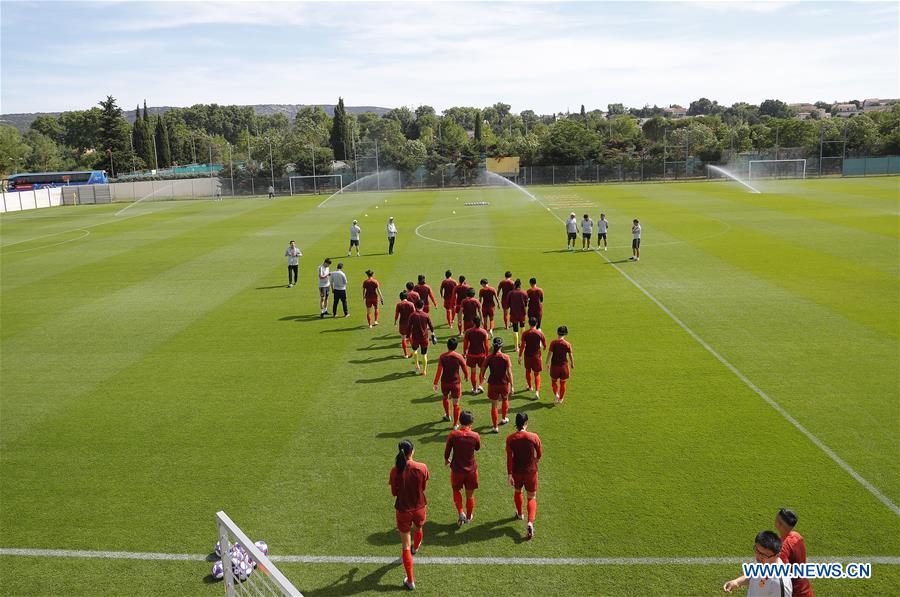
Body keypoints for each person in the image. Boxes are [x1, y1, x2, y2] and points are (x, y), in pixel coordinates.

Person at [389, 439, 429, 592]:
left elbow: (394, 493)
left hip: (403, 510)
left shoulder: (395, 470)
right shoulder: (422, 467)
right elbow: (423, 487)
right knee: (419, 529)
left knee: (405, 545)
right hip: (419, 508)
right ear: (412, 451)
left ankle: (410, 581)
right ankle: (416, 548)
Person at [506, 412, 542, 540]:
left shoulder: (510, 438)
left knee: (517, 491)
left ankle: (520, 513)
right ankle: (530, 522)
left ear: (516, 423)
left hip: (517, 471)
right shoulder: (534, 437)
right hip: (531, 471)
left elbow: (509, 458)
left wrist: (509, 474)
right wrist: (535, 460)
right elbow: (539, 453)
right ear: (526, 423)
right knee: (531, 497)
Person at [723, 531, 793, 596]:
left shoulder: (779, 583)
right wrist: (737, 582)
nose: (759, 557)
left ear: (777, 555)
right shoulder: (763, 560)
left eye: (764, 555)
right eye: (757, 551)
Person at [444, 410, 480, 526]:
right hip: (471, 471)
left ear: (460, 421)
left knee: (456, 491)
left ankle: (460, 512)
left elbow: (447, 450)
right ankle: (469, 516)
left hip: (457, 470)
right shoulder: (475, 436)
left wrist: (446, 459)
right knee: (470, 496)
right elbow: (477, 448)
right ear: (471, 422)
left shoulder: (453, 435)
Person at [776, 508, 813, 597]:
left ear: (779, 524)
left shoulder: (782, 547)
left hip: (794, 592)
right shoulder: (797, 536)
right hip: (806, 590)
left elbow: (783, 572)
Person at [432, 337, 469, 427]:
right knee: (456, 404)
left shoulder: (442, 356)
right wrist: (466, 376)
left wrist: (435, 382)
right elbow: (464, 367)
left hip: (445, 382)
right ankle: (455, 424)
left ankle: (448, 415)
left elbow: (439, 371)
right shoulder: (458, 356)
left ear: (447, 345)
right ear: (456, 346)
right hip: (456, 383)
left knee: (445, 398)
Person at [484, 337, 513, 433]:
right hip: (504, 383)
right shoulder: (506, 357)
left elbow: (483, 368)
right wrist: (512, 385)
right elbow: (509, 373)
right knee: (505, 399)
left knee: (494, 405)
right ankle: (504, 418)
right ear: (502, 345)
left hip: (492, 383)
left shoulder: (489, 357)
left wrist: (482, 376)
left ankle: (495, 427)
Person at [518, 317, 547, 400]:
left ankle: (530, 387)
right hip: (537, 356)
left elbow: (522, 346)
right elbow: (545, 344)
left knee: (528, 371)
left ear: (529, 323)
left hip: (527, 355)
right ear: (536, 323)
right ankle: (537, 392)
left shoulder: (525, 333)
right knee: (537, 374)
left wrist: (520, 356)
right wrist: (544, 347)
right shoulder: (539, 333)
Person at [547, 325, 574, 404]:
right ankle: (561, 399)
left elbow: (550, 353)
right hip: (564, 367)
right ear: (565, 334)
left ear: (557, 333)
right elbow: (570, 355)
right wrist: (572, 363)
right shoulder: (567, 344)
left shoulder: (553, 343)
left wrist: (547, 363)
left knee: (554, 382)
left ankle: (556, 395)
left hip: (554, 366)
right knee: (563, 383)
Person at [463, 317, 489, 394]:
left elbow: (465, 344)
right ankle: (480, 386)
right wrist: (487, 354)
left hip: (471, 355)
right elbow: (486, 345)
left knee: (473, 372)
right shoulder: (484, 332)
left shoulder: (468, 332)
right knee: (482, 371)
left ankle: (474, 389)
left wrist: (464, 352)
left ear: (473, 322)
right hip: (481, 355)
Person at [407, 300, 435, 376]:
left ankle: (417, 366)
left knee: (414, 350)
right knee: (424, 354)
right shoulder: (426, 315)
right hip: (424, 338)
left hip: (415, 337)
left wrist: (407, 336)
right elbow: (431, 326)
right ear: (423, 306)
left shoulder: (412, 315)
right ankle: (424, 371)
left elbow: (409, 326)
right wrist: (433, 333)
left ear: (415, 306)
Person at [506, 279, 529, 349]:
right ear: (520, 285)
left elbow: (507, 304)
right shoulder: (524, 293)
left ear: (514, 285)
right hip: (522, 313)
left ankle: (516, 347)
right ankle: (523, 344)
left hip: (513, 313)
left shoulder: (510, 293)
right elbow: (526, 303)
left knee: (515, 329)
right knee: (522, 327)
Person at [394, 291, 416, 358]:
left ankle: (406, 354)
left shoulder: (399, 304)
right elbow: (414, 314)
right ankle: (414, 352)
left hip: (402, 323)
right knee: (410, 337)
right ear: (407, 297)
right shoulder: (411, 304)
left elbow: (397, 314)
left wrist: (395, 321)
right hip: (410, 323)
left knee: (403, 338)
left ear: (400, 297)